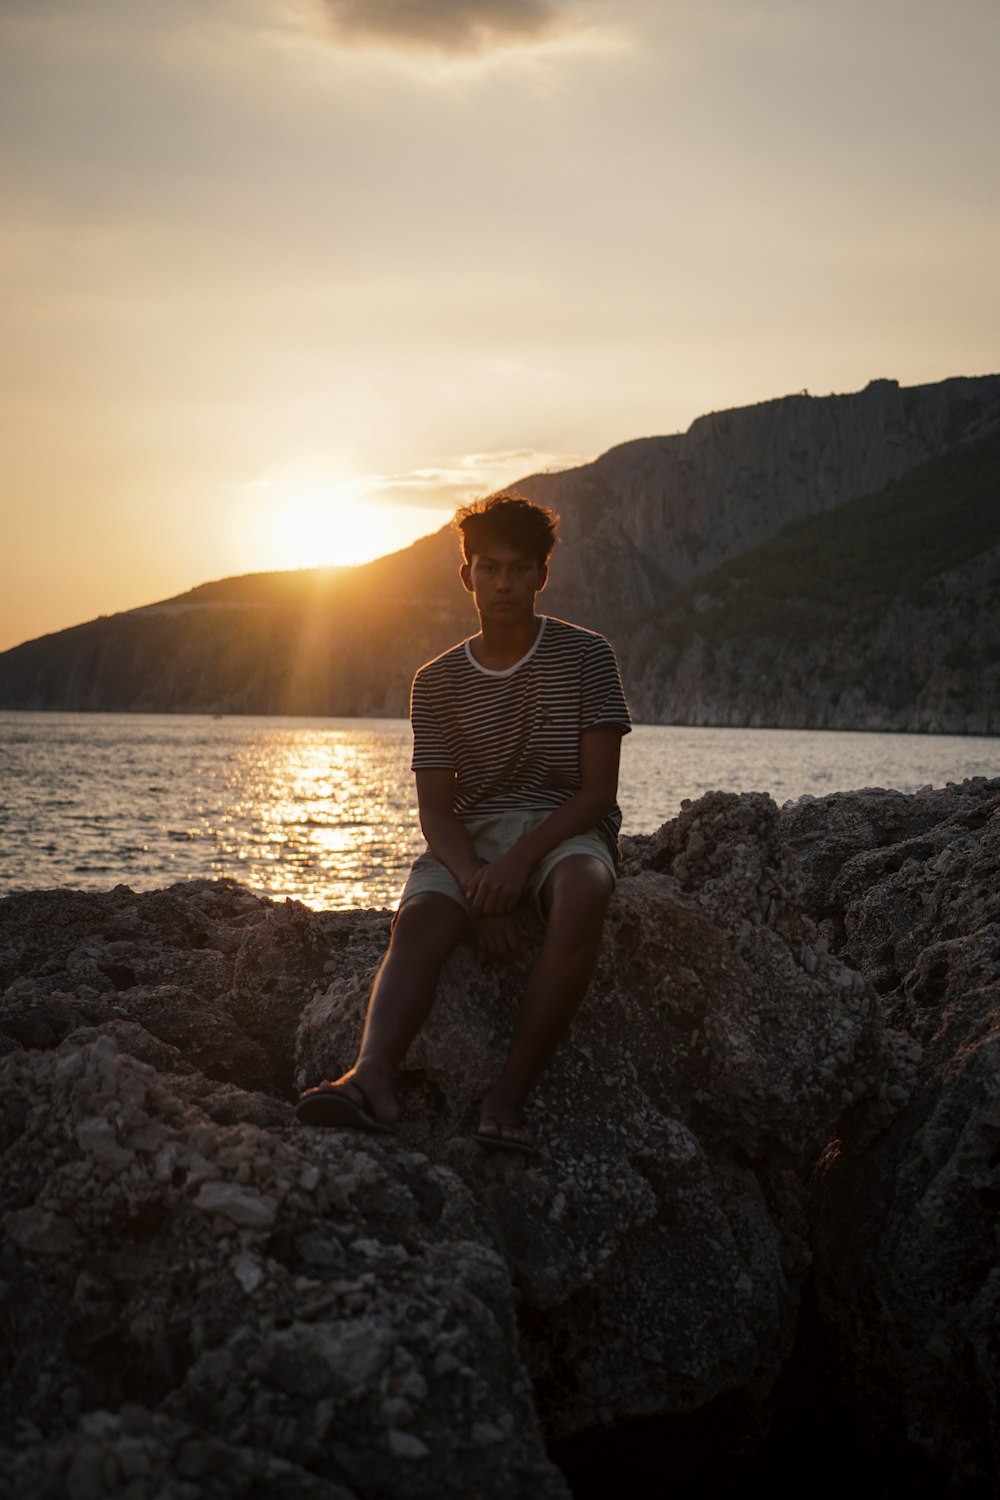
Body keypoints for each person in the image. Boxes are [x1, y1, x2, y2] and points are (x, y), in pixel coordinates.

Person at [295, 492, 631, 1154]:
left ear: (542, 574)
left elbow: (598, 794)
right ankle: (370, 1079)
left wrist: (513, 868)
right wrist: (478, 885)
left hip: (563, 829)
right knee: (418, 921)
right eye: (488, 568)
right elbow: (435, 810)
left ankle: (507, 1097)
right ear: (466, 574)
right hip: (466, 838)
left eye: (517, 568)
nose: (502, 583)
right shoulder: (437, 680)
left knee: (587, 890)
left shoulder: (588, 657)